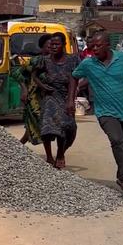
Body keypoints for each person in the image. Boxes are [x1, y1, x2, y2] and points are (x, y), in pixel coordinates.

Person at [68, 31, 123, 190]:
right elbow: (74, 76)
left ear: (108, 45)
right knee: (117, 140)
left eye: (98, 46)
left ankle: (121, 174)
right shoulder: (88, 64)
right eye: (92, 46)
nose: (94, 49)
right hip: (105, 111)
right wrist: (70, 100)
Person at [33, 32, 79, 168]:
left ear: (64, 45)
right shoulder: (45, 60)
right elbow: (34, 75)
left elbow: (76, 78)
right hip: (50, 95)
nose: (53, 47)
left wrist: (74, 93)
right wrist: (43, 86)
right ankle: (49, 156)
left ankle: (60, 152)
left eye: (56, 44)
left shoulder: (72, 60)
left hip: (66, 96)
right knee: (47, 126)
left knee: (68, 127)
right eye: (51, 44)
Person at [13, 34, 52, 146]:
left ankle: (17, 147)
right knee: (42, 126)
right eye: (48, 47)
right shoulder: (35, 61)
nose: (52, 49)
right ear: (42, 48)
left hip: (51, 99)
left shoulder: (57, 62)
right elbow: (16, 72)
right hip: (35, 99)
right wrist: (24, 89)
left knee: (34, 128)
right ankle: (49, 157)